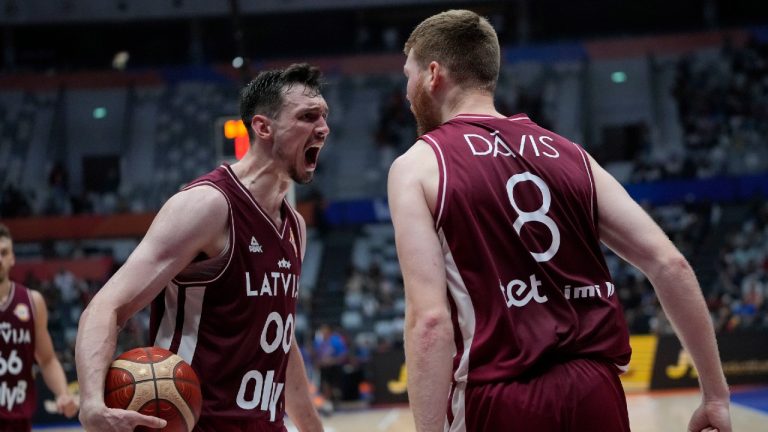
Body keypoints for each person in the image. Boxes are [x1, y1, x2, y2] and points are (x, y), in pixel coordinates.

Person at [387, 10, 731, 432]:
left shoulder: (420, 165)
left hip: (501, 397)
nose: (405, 92)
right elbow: (670, 264)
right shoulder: (571, 154)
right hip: (595, 390)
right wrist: (714, 394)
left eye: (409, 75)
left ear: (433, 74)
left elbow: (431, 321)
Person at [76, 63, 329, 432]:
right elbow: (105, 306)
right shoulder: (208, 205)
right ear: (263, 127)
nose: (323, 127)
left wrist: (311, 427)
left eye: (324, 116)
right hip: (198, 424)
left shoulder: (295, 228)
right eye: (308, 117)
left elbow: (280, 342)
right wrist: (91, 403)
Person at [0, 224, 78, 432]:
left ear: (12, 258)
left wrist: (63, 393)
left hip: (19, 421)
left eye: (4, 252)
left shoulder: (32, 301)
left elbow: (47, 359)